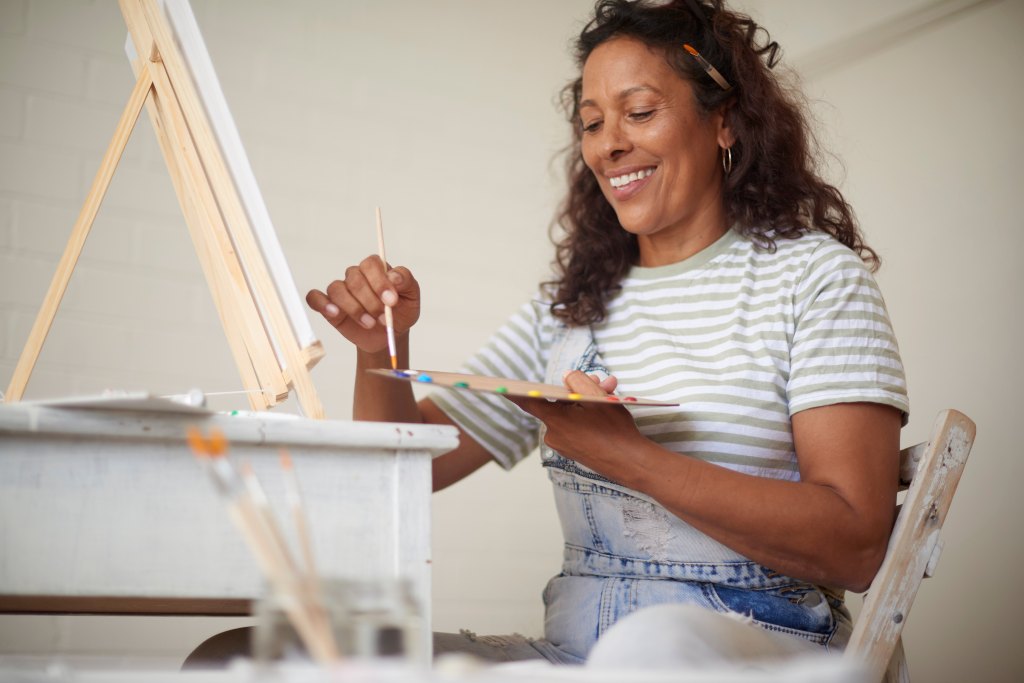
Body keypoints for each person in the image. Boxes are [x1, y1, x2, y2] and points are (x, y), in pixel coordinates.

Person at [305, 0, 908, 668]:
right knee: (294, 654)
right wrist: (379, 351)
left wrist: (628, 456)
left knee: (651, 647)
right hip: (578, 655)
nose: (607, 143)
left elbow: (855, 543)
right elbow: (400, 477)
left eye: (640, 112)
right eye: (591, 122)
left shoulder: (816, 279)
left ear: (725, 121)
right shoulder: (568, 310)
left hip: (763, 648)